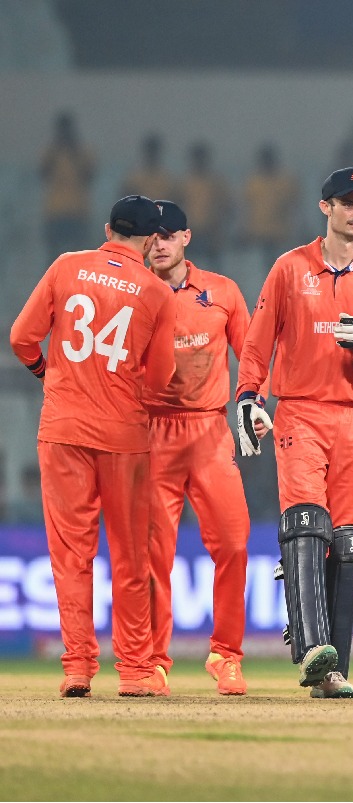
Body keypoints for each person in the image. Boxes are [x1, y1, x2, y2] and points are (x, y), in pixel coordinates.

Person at [235, 167, 353, 699]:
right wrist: (247, 397)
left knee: (348, 542)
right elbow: (257, 342)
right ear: (324, 207)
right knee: (307, 524)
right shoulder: (290, 268)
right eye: (347, 203)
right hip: (301, 413)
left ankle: (335, 671)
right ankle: (313, 651)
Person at [10, 195, 176, 698]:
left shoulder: (66, 267)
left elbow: (21, 337)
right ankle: (133, 671)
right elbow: (163, 376)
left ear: (107, 229)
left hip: (62, 430)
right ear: (150, 241)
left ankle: (78, 667)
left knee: (70, 557)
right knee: (129, 557)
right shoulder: (156, 292)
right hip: (124, 437)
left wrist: (48, 375)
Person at [143, 200, 252, 696]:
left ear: (186, 237)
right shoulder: (131, 295)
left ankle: (225, 655)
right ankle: (151, 661)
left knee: (233, 544)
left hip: (210, 433)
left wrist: (252, 403)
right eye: (151, 235)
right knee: (152, 556)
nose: (159, 243)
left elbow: (250, 357)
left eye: (168, 234)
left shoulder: (223, 291)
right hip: (149, 435)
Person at [39, 112, 95, 256]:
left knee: (78, 257)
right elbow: (43, 174)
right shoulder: (52, 153)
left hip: (78, 211)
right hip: (55, 211)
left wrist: (74, 152)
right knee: (53, 256)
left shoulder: (82, 153)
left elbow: (89, 177)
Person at [239, 143, 299, 268]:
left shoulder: (285, 182)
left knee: (281, 271)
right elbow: (245, 209)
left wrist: (298, 232)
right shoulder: (253, 183)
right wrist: (243, 231)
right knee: (261, 272)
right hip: (257, 234)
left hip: (281, 234)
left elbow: (295, 209)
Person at [179, 142, 228, 267]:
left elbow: (227, 208)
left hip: (210, 233)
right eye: (197, 158)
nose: (199, 161)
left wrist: (220, 227)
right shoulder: (184, 183)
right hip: (190, 234)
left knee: (212, 272)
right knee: (188, 272)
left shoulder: (216, 183)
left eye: (201, 158)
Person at [121, 133, 175, 203]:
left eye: (153, 151)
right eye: (150, 151)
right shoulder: (134, 179)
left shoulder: (167, 180)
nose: (152, 154)